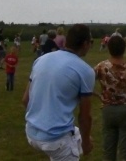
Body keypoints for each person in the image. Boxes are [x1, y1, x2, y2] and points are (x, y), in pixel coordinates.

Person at [23, 24, 94, 159]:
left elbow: (25, 100)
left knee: (80, 137)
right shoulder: (85, 71)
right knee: (76, 142)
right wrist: (86, 144)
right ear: (85, 44)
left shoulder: (40, 59)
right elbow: (85, 118)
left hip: (31, 131)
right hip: (55, 138)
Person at [94, 35, 126, 161]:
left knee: (108, 149)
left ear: (108, 48)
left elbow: (85, 84)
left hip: (108, 110)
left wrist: (99, 95)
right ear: (124, 48)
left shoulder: (101, 67)